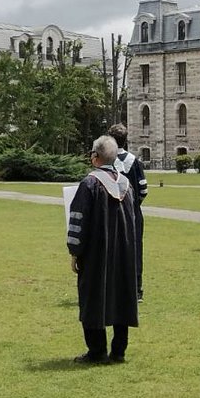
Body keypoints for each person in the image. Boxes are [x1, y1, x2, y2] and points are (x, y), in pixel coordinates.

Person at [66, 135, 139, 363]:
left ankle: (97, 351)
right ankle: (118, 351)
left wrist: (75, 251)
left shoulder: (89, 184)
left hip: (96, 255)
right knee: (122, 296)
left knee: (93, 296)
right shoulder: (126, 185)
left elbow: (78, 221)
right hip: (124, 254)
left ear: (95, 158)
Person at [109, 124, 148, 300]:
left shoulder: (107, 161)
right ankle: (136, 289)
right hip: (133, 214)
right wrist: (133, 205)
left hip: (111, 213)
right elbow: (143, 190)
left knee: (112, 250)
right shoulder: (135, 162)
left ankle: (113, 288)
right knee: (135, 250)